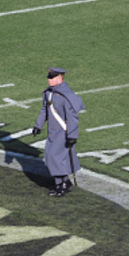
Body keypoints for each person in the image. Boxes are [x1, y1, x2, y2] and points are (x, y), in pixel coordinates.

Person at [32, 67, 85, 197]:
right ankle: (63, 182)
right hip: (52, 133)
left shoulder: (66, 96)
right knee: (52, 157)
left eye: (52, 77)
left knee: (53, 157)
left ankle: (61, 185)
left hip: (63, 132)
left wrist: (72, 135)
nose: (49, 80)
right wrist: (38, 125)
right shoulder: (48, 93)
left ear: (59, 78)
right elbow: (44, 110)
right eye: (49, 77)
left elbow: (72, 118)